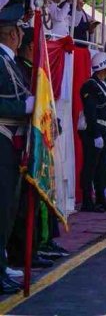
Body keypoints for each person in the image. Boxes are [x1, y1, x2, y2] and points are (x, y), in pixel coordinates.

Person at [0, 15, 34, 294]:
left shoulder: (8, 61)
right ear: (13, 35)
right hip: (2, 138)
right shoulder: (1, 61)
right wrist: (24, 107)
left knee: (7, 209)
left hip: (12, 142)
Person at [79, 51, 106, 212]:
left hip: (103, 128)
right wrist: (96, 134)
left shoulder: (103, 84)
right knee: (91, 166)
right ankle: (87, 201)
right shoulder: (90, 85)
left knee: (101, 167)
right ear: (103, 67)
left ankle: (101, 199)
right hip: (92, 130)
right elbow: (91, 112)